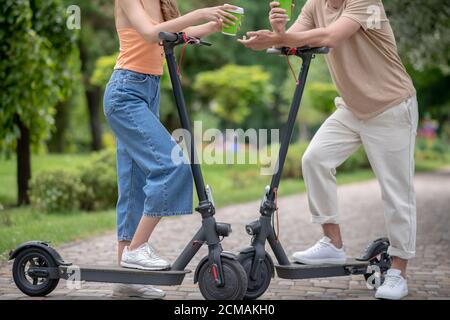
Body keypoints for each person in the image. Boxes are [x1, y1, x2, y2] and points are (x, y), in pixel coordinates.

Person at [239, 0, 418, 300]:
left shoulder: (366, 2)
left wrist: (281, 39)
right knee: (314, 160)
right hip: (352, 108)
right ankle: (332, 244)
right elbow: (293, 41)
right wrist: (279, 30)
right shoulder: (315, 4)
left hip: (389, 107)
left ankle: (398, 272)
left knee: (396, 193)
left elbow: (330, 37)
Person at [104, 0, 238, 299]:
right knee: (173, 164)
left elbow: (177, 32)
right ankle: (136, 249)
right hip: (125, 92)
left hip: (147, 91)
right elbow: (151, 33)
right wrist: (201, 12)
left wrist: (212, 25)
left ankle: (127, 279)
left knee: (133, 185)